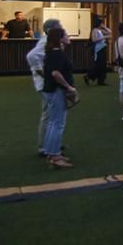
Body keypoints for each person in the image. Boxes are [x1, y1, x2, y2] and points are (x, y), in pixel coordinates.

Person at [40, 28, 76, 169]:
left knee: (53, 123)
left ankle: (51, 152)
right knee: (58, 124)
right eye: (66, 35)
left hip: (50, 90)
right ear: (60, 38)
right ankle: (55, 155)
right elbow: (56, 73)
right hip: (56, 91)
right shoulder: (57, 54)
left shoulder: (50, 53)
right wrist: (69, 87)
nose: (68, 36)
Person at [26, 17, 62, 156]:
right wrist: (41, 72)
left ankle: (49, 142)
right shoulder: (45, 41)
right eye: (59, 27)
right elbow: (31, 56)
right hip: (45, 84)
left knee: (50, 115)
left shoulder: (48, 41)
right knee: (48, 115)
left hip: (45, 82)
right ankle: (44, 146)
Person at [85, 17, 111, 86]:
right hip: (98, 49)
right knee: (99, 65)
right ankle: (89, 76)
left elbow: (109, 32)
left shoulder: (100, 30)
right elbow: (94, 40)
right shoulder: (94, 30)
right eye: (101, 23)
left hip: (102, 48)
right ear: (98, 23)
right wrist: (105, 37)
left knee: (103, 65)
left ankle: (101, 81)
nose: (102, 24)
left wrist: (105, 27)